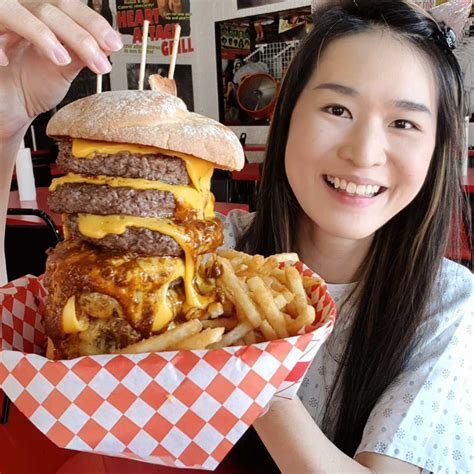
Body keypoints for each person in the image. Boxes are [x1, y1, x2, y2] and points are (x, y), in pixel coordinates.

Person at [0, 0, 472, 472]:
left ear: (439, 148)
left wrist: (252, 361)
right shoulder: (207, 251)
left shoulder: (450, 305)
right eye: (337, 108)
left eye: (404, 123)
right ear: (286, 116)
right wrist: (7, 125)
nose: (364, 152)